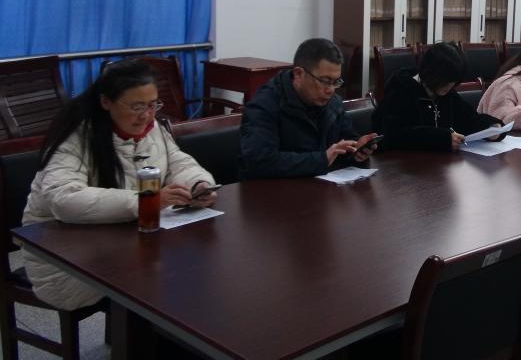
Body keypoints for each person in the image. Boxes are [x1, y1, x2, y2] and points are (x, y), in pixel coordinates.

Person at [21, 60, 218, 310]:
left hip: (122, 241)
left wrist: (198, 185)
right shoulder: (76, 135)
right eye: (137, 107)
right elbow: (63, 199)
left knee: (191, 271)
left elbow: (178, 162)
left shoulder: (151, 127)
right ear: (106, 102)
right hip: (63, 259)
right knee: (167, 282)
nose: (146, 115)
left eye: (153, 105)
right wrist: (147, 201)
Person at [239, 38, 377, 179]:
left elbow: (344, 140)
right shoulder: (264, 104)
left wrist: (356, 149)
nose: (330, 90)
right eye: (325, 81)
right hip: (274, 190)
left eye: (335, 82)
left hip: (321, 186)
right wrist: (321, 160)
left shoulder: (333, 102)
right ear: (299, 74)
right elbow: (259, 162)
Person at [372, 42, 504, 152]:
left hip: (438, 166)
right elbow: (393, 135)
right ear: (431, 73)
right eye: (446, 80)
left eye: (453, 81)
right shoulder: (401, 90)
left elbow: (468, 118)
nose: (449, 86)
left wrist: (491, 127)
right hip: (404, 166)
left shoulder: (447, 93)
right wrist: (441, 139)